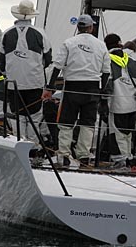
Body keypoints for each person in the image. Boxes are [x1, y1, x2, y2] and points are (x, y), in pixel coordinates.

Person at [43, 14, 110, 169]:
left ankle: (64, 156)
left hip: (72, 86)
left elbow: (57, 66)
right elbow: (106, 72)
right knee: (88, 124)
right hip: (93, 88)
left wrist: (50, 87)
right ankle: (84, 158)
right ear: (91, 27)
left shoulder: (69, 43)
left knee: (66, 123)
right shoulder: (101, 45)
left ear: (78, 27)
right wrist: (101, 91)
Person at [0, 0, 52, 141]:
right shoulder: (40, 33)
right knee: (34, 117)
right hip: (35, 83)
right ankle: (33, 148)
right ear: (31, 16)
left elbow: (0, 62)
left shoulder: (6, 34)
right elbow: (48, 59)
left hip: (13, 85)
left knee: (18, 116)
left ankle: (19, 143)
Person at [103, 34, 136, 168]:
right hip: (132, 104)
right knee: (127, 134)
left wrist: (103, 101)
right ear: (120, 45)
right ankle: (128, 158)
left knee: (117, 133)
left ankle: (120, 160)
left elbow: (108, 83)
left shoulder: (107, 59)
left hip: (116, 103)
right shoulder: (133, 61)